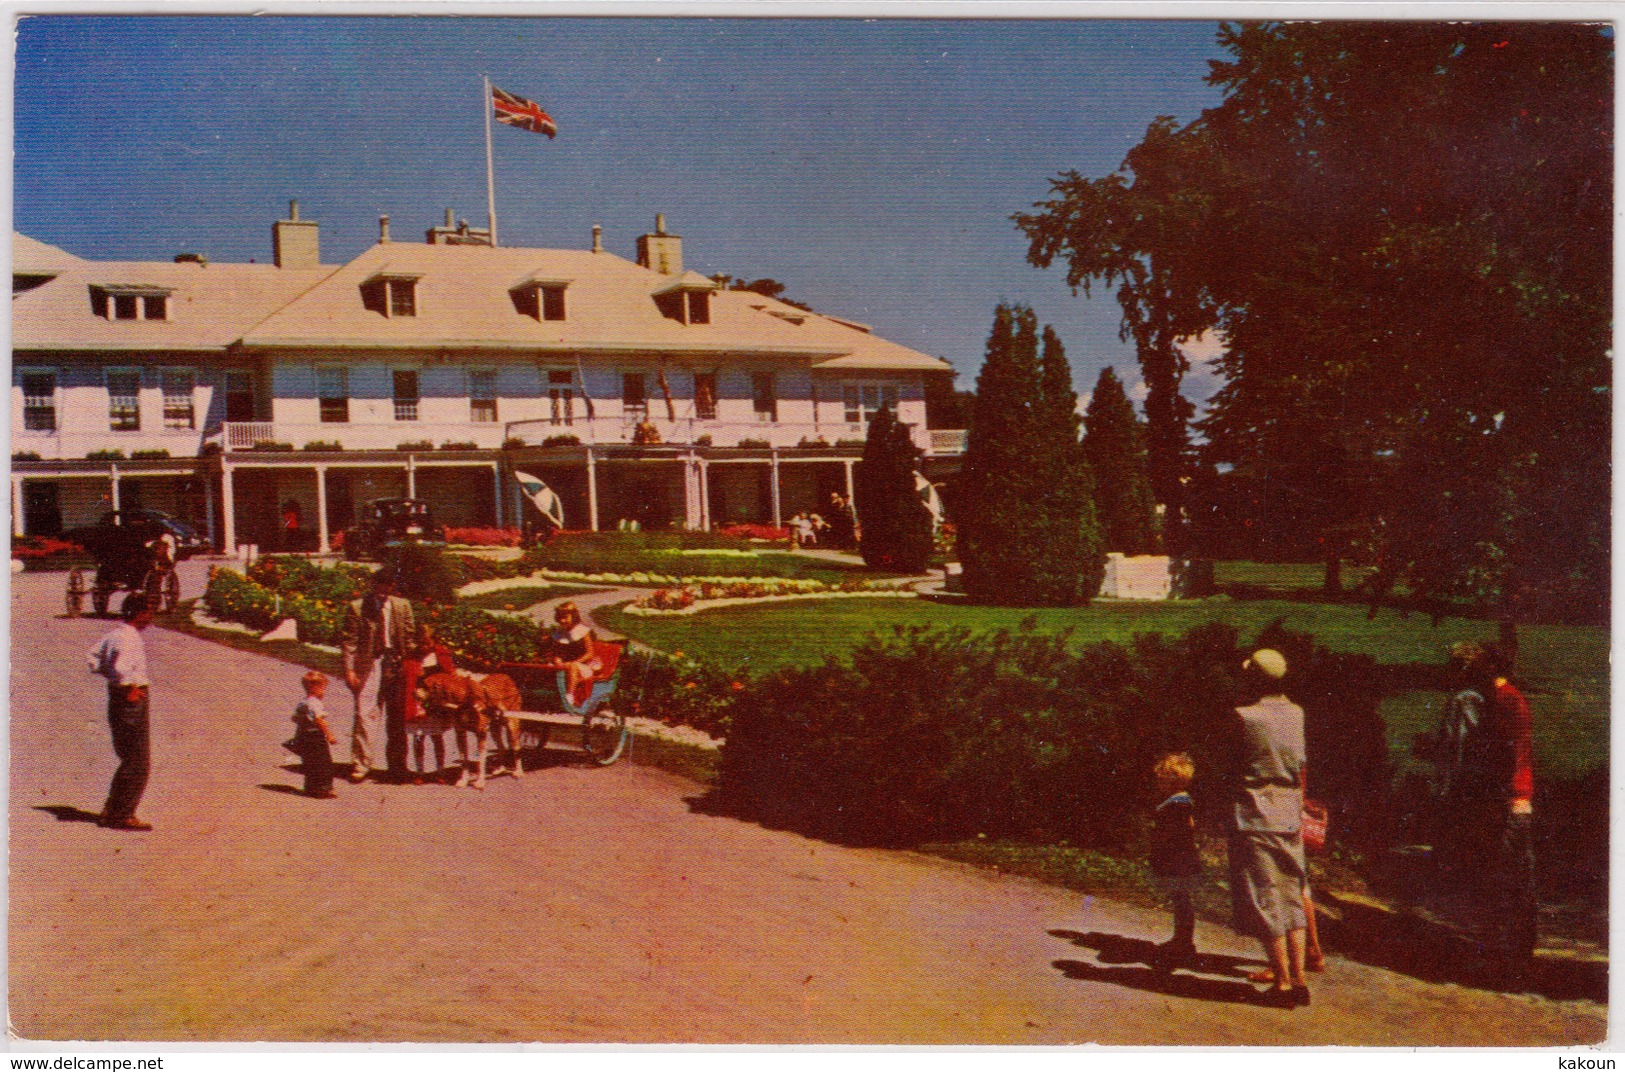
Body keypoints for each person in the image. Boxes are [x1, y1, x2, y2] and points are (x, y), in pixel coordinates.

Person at [1228, 648, 1311, 1008]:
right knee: (1292, 892)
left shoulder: (1244, 717)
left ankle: (1281, 983)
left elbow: (1231, 764)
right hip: (1289, 808)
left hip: (1255, 811)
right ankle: (1300, 977)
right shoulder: (1296, 712)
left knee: (1264, 895)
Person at [1480, 644, 1537, 968]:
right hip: (1513, 797)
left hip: (1510, 800)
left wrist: (1497, 793)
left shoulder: (1506, 701)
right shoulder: (1504, 699)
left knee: (1507, 876)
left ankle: (1508, 952)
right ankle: (1511, 949)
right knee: (1512, 876)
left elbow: (1508, 753)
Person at [86, 593, 156, 830]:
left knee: (130, 757)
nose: (150, 617)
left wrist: (111, 678)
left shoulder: (116, 634)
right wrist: (128, 687)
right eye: (148, 612)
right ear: (139, 613)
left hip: (120, 695)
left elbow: (94, 657)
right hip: (130, 697)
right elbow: (121, 667)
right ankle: (122, 813)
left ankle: (112, 810)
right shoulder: (128, 638)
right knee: (138, 760)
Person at [340, 568, 417, 784]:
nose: (383, 594)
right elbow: (349, 642)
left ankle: (398, 766)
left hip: (396, 664)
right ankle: (361, 764)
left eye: (387, 589)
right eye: (379, 588)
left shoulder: (402, 606)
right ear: (373, 586)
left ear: (393, 588)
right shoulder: (358, 608)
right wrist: (349, 670)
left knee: (398, 717)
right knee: (365, 715)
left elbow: (410, 637)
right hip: (370, 664)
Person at [1149, 752, 1203, 965]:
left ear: (1174, 779)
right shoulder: (1178, 800)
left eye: (1162, 777)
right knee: (1180, 900)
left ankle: (1184, 942)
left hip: (1179, 859)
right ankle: (1182, 939)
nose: (1159, 782)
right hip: (1179, 857)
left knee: (1182, 900)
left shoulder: (1178, 802)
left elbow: (1181, 829)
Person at [290, 670, 339, 798]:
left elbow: (294, 718)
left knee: (310, 762)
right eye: (323, 689)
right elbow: (320, 720)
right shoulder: (315, 704)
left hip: (304, 735)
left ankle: (310, 787)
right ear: (315, 688)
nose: (324, 692)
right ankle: (323, 788)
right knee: (323, 763)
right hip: (315, 736)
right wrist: (329, 735)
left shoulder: (303, 702)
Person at [543, 601, 602, 701]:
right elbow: (558, 652)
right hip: (566, 665)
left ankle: (570, 694)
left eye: (565, 617)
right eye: (560, 617)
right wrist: (557, 659)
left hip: (584, 667)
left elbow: (590, 653)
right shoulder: (560, 633)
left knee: (573, 666)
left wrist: (575, 662)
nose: (562, 620)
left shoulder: (583, 631)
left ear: (573, 617)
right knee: (551, 665)